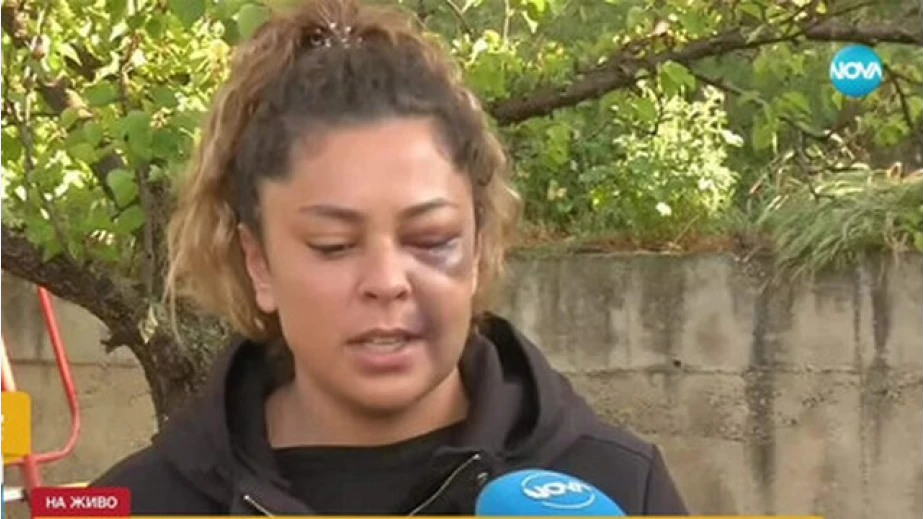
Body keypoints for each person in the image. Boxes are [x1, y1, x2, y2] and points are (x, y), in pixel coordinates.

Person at [92, 0, 689, 515]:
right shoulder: (137, 502)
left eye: (431, 239)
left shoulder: (618, 487)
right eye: (334, 246)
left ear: (479, 248)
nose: (386, 282)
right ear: (259, 263)